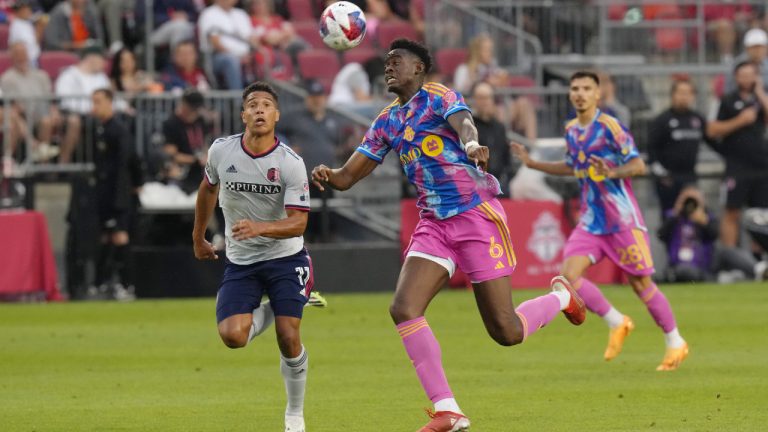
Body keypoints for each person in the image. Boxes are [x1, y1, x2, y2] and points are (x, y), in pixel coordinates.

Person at [311, 39, 586, 432]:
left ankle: (561, 297)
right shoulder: (386, 121)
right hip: (433, 225)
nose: (388, 67)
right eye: (386, 62)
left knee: (506, 332)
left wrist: (472, 144)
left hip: (474, 215)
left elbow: (465, 123)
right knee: (404, 308)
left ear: (419, 68)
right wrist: (329, 175)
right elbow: (348, 176)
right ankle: (448, 410)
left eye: (397, 61)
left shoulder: (438, 96)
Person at [512, 71, 689, 371]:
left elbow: (637, 164)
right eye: (575, 88)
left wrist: (611, 172)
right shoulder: (571, 130)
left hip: (621, 220)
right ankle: (617, 321)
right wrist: (533, 164)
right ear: (570, 94)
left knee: (640, 283)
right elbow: (572, 167)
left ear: (597, 95)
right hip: (592, 221)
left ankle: (675, 341)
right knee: (568, 277)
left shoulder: (610, 127)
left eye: (586, 88)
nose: (580, 93)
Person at [193, 82, 321, 432]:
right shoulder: (222, 151)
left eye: (267, 105)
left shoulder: (290, 163)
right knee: (233, 337)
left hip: (286, 258)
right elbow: (207, 189)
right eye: (253, 105)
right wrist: (198, 236)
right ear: (243, 114)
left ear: (276, 115)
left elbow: (299, 222)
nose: (260, 110)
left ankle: (294, 414)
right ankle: (290, 302)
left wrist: (261, 227)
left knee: (287, 334)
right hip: (241, 260)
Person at [707, 61, 768, 249]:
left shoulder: (761, 99)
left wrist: (760, 93)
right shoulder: (725, 100)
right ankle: (731, 258)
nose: (747, 78)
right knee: (732, 212)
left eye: (751, 74)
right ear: (736, 77)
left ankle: (759, 261)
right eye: (743, 74)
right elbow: (712, 130)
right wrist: (740, 121)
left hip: (761, 166)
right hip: (736, 166)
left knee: (760, 215)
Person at [90, 88, 137, 300]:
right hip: (104, 193)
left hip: (117, 194)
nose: (94, 107)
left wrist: (122, 195)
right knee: (105, 237)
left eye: (98, 102)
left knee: (119, 236)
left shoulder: (118, 131)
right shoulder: (101, 129)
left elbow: (126, 163)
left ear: (110, 102)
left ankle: (127, 284)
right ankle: (102, 283)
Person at [647, 79, 707, 217]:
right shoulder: (662, 120)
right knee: (670, 216)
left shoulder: (697, 119)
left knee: (692, 215)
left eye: (688, 93)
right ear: (672, 95)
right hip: (668, 178)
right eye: (680, 93)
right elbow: (651, 149)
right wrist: (661, 174)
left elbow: (712, 140)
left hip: (689, 176)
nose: (684, 97)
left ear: (693, 96)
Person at [0, 42, 60, 162]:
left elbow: (51, 100)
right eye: (17, 54)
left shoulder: (41, 75)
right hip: (20, 115)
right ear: (12, 57)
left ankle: (44, 167)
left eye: (23, 53)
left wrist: (54, 111)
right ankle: (33, 146)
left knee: (46, 121)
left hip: (41, 113)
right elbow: (11, 105)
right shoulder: (7, 78)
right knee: (12, 117)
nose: (21, 57)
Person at [54, 45, 111, 163]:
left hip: (99, 115)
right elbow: (64, 100)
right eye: (102, 59)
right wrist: (88, 109)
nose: (104, 63)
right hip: (74, 114)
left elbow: (110, 97)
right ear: (91, 58)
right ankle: (64, 163)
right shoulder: (69, 75)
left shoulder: (101, 77)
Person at [198, 0, 257, 90]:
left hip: (246, 56)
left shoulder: (241, 14)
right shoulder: (209, 14)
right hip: (216, 57)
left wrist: (250, 54)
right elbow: (215, 43)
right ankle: (238, 100)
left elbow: (252, 39)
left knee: (263, 56)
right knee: (231, 60)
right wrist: (238, 57)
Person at [161, 89, 212, 193]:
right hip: (181, 173)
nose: (194, 112)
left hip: (199, 170)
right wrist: (195, 160)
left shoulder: (201, 121)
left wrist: (205, 157)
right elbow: (171, 155)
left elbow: (205, 144)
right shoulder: (171, 124)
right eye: (192, 109)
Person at [470, 81, 514, 194]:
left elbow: (506, 158)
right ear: (474, 100)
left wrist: (506, 179)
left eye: (487, 98)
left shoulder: (500, 127)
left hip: (499, 186)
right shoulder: (468, 127)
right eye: (480, 98)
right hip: (474, 187)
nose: (484, 102)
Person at [725, 28, 768, 93]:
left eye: (760, 47)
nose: (758, 51)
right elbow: (729, 90)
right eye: (754, 47)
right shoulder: (737, 65)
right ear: (747, 48)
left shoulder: (766, 64)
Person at [8, 0, 41, 65]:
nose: (29, 11)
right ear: (18, 11)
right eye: (25, 10)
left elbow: (34, 42)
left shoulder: (27, 23)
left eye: (29, 9)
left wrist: (39, 28)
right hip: (24, 62)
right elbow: (14, 47)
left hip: (35, 59)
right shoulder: (15, 26)